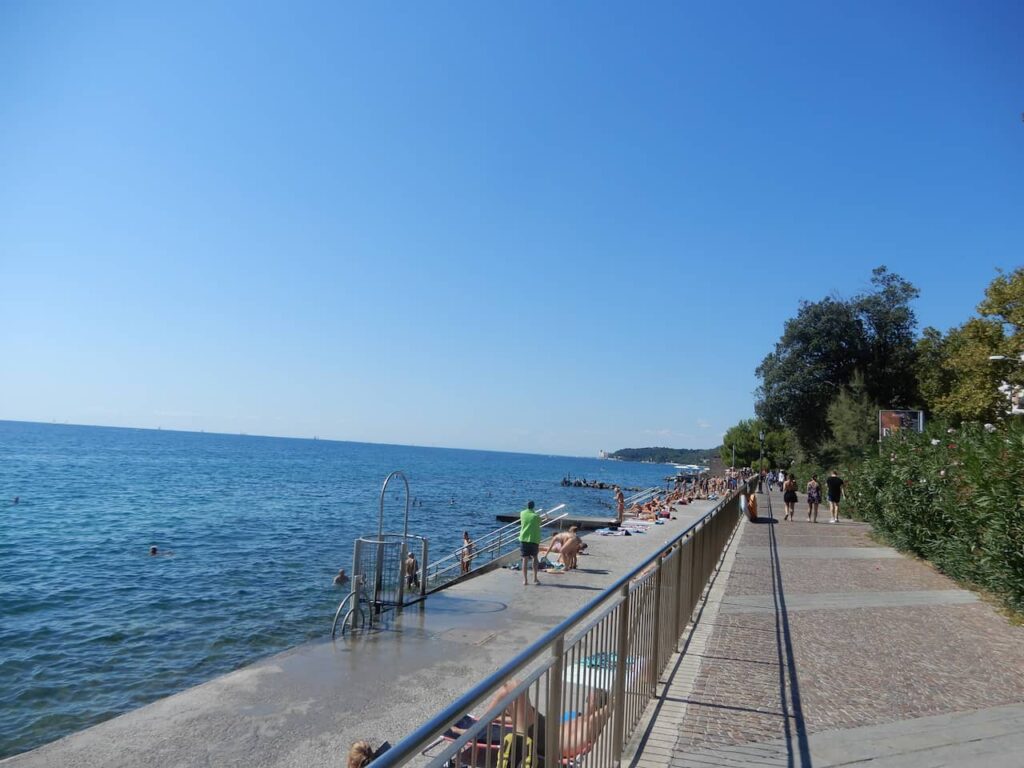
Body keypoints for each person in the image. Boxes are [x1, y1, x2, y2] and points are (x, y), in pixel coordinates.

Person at [518, 500, 542, 586]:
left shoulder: (522, 513)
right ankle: (535, 578)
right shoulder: (536, 516)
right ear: (533, 506)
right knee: (535, 558)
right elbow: (540, 522)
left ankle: (525, 580)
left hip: (523, 539)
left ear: (527, 506)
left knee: (525, 559)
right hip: (533, 539)